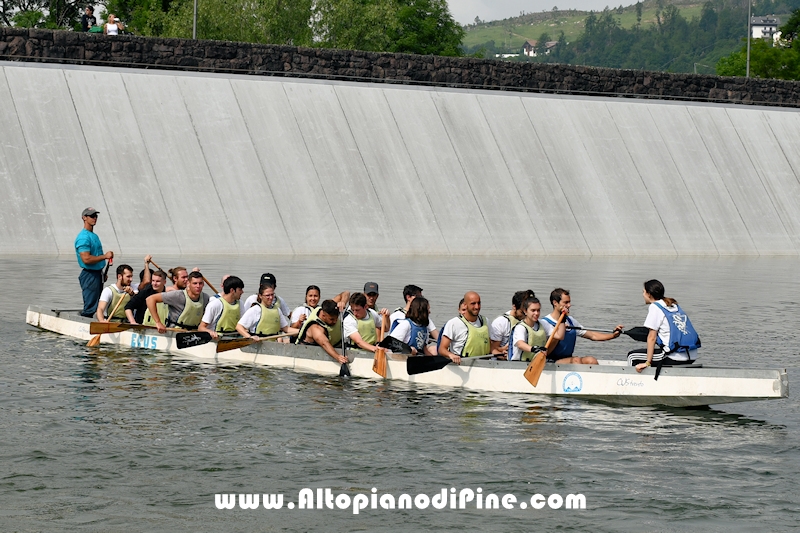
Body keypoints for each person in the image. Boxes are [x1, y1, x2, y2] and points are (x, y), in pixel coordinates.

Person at [630, 279, 701, 372]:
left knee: (632, 356)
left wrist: (647, 362)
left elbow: (652, 337)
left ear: (649, 294)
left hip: (674, 356)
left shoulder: (655, 307)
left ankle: (633, 384)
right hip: (692, 355)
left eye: (643, 292)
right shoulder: (673, 305)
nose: (642, 295)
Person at [540, 288, 623, 365]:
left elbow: (593, 336)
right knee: (576, 361)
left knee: (591, 360)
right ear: (555, 303)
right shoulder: (545, 323)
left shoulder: (571, 320)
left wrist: (613, 335)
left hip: (567, 358)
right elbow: (545, 350)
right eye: (566, 302)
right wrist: (560, 330)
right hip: (550, 361)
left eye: (569, 302)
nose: (569, 305)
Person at [75, 207, 114, 317]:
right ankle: (84, 325)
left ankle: (97, 322)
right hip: (89, 275)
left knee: (98, 305)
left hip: (97, 274)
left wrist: (103, 273)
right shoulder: (83, 237)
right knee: (91, 307)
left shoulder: (94, 236)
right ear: (84, 218)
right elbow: (86, 259)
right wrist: (105, 256)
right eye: (92, 216)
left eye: (95, 216)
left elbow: (97, 257)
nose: (95, 218)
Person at [145, 271, 210, 333]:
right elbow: (150, 299)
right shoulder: (178, 295)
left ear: (203, 284)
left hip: (193, 333)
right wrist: (158, 322)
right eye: (195, 283)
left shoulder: (205, 298)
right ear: (188, 283)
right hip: (174, 332)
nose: (198, 286)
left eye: (200, 283)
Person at [438, 291, 490, 364]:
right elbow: (442, 349)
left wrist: (501, 351)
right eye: (473, 303)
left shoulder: (486, 321)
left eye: (479, 303)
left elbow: (492, 346)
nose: (477, 307)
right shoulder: (453, 323)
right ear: (465, 305)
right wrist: (451, 355)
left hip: (484, 364)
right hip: (461, 364)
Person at [295, 299, 348, 364]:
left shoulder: (328, 307)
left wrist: (342, 302)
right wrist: (338, 357)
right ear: (323, 315)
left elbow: (346, 293)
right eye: (331, 319)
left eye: (336, 318)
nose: (335, 321)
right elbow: (324, 343)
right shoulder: (316, 328)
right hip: (306, 354)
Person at [489, 290, 535, 357]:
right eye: (522, 312)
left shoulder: (533, 321)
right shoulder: (501, 322)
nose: (526, 315)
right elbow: (493, 348)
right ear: (514, 307)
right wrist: (501, 351)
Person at [510, 297, 548, 362]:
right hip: (519, 364)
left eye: (538, 310)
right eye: (533, 310)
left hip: (536, 363)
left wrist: (562, 320)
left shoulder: (542, 324)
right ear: (525, 311)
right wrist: (533, 349)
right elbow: (520, 344)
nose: (536, 313)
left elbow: (558, 336)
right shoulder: (520, 327)